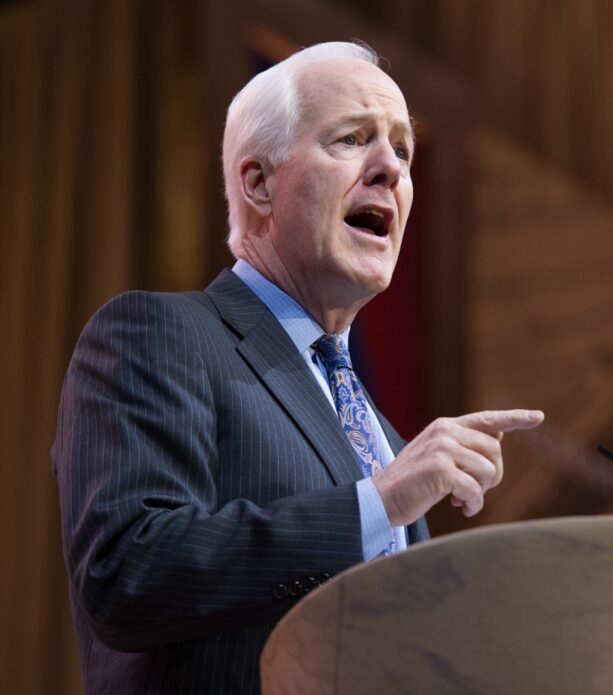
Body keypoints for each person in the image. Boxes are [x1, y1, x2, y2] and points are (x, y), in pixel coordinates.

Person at [52, 41, 544, 695]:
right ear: (259, 182)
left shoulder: (386, 440)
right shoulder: (159, 335)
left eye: (402, 150)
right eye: (351, 139)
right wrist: (380, 502)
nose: (389, 170)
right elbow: (128, 571)